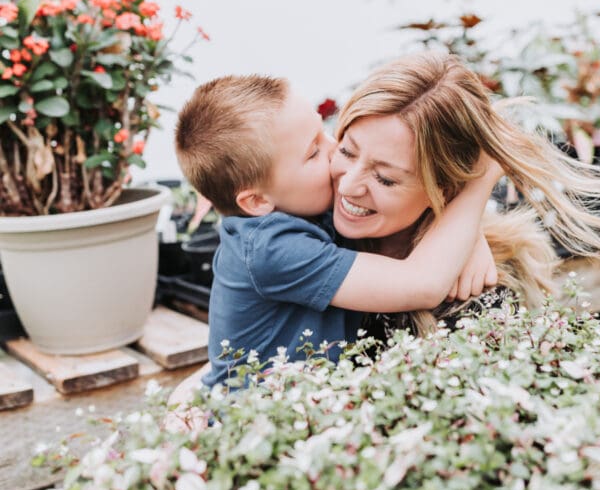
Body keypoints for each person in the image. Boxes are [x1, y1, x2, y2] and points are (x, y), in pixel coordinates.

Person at [172, 73, 502, 399]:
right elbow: (422, 285)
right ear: (256, 201)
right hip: (261, 428)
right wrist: (479, 182)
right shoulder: (268, 248)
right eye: (313, 152)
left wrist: (472, 234)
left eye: (326, 132)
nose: (333, 150)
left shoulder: (300, 205)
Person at [330, 52, 600, 339]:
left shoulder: (475, 298)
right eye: (346, 150)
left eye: (385, 179)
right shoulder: (301, 225)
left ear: (445, 189)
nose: (347, 187)